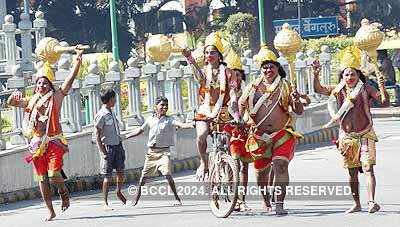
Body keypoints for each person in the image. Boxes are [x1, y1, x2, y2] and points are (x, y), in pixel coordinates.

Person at [7, 46, 84, 221]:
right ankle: (50, 210)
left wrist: (77, 60)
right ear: (36, 85)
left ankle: (64, 192)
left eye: (45, 83)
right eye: (39, 83)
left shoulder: (56, 97)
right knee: (42, 179)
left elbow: (70, 80)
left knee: (53, 174)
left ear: (50, 85)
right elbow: (12, 103)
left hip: (54, 141)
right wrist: (13, 95)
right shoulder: (31, 100)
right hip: (36, 144)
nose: (41, 85)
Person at [313, 46, 389, 214]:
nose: (349, 77)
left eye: (353, 74)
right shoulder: (337, 90)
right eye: (346, 74)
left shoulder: (366, 88)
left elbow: (384, 102)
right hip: (346, 137)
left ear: (358, 75)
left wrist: (382, 87)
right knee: (352, 171)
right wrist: (315, 74)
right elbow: (318, 89)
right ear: (342, 76)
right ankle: (357, 203)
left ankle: (371, 201)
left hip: (365, 133)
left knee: (368, 168)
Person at [238, 46, 304, 215]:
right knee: (261, 174)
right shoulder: (252, 88)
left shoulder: (285, 86)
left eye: (271, 66)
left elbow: (298, 111)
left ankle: (280, 203)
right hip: (259, 136)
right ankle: (266, 200)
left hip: (281, 134)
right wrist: (242, 119)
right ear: (261, 69)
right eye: (265, 67)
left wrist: (296, 101)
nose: (268, 70)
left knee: (280, 166)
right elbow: (241, 104)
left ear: (277, 68)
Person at [181, 32, 242, 181]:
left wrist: (236, 114)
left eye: (212, 52)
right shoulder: (205, 72)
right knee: (201, 135)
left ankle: (229, 172)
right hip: (206, 110)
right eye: (207, 52)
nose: (209, 55)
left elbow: (233, 93)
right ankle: (204, 161)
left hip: (225, 111)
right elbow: (197, 75)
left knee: (226, 144)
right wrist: (189, 57)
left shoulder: (229, 73)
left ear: (219, 55)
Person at [126, 96, 195, 206]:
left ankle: (177, 199)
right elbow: (139, 130)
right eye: (162, 105)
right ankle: (136, 198)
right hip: (151, 153)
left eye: (166, 105)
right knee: (144, 177)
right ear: (155, 107)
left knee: (167, 174)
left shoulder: (169, 119)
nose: (164, 107)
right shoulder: (150, 119)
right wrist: (127, 136)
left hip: (164, 153)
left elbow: (180, 125)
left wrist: (190, 125)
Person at [94, 89, 127, 210]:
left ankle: (118, 191)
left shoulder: (111, 113)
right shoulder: (101, 115)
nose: (115, 101)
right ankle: (105, 202)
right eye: (114, 98)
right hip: (108, 147)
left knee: (120, 171)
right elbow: (97, 135)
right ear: (109, 99)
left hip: (117, 145)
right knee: (107, 176)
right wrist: (103, 152)